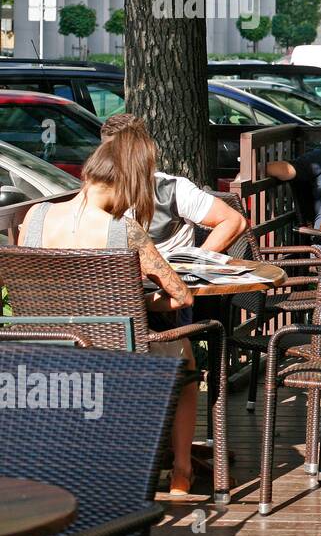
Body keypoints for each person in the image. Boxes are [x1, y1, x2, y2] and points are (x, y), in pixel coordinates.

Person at [17, 128, 200, 495]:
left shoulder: (35, 216)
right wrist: (136, 301)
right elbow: (181, 297)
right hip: (114, 353)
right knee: (187, 359)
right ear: (133, 181)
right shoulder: (124, 229)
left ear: (89, 172)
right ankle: (181, 473)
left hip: (46, 353)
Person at [100, 114, 248, 255]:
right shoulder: (97, 192)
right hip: (117, 279)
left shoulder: (175, 189)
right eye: (107, 151)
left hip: (170, 278)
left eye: (120, 152)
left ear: (142, 150)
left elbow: (234, 221)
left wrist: (196, 261)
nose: (113, 159)